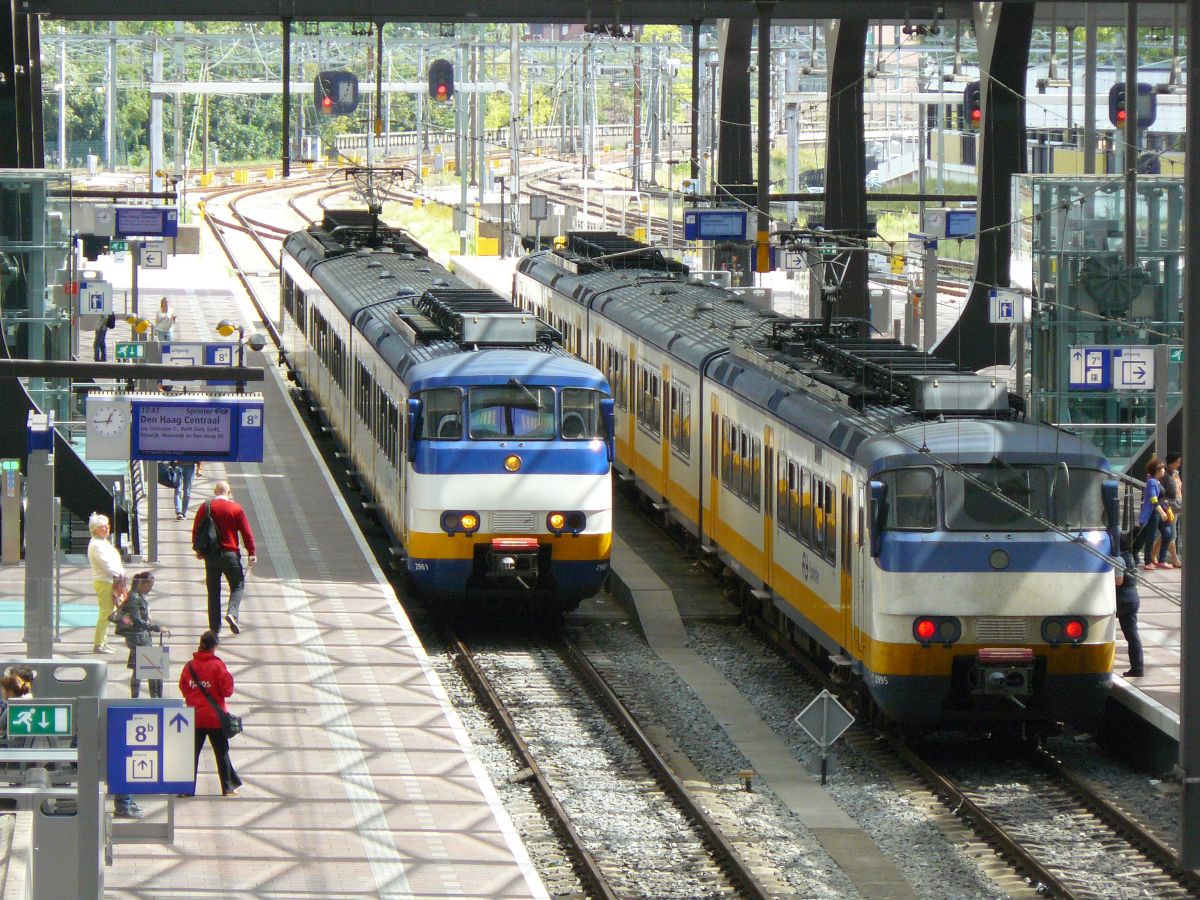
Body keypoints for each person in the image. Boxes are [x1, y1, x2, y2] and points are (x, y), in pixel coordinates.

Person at [178, 631, 241, 797]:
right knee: (221, 752)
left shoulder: (189, 666)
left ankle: (186, 789)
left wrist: (194, 698)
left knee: (191, 753)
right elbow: (227, 691)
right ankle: (227, 787)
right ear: (214, 646)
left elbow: (183, 688)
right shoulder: (217, 666)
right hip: (214, 718)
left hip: (194, 716)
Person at [192, 481, 257, 635]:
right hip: (230, 555)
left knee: (213, 592)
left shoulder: (205, 506)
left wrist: (198, 550)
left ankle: (214, 630)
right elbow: (246, 532)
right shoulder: (236, 508)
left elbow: (196, 529)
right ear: (229, 492)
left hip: (211, 556)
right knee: (238, 585)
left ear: (215, 491)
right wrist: (252, 552)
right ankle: (232, 613)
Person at [115, 571, 170, 699]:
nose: (150, 589)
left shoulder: (138, 595)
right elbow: (137, 620)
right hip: (138, 637)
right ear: (143, 583)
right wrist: (155, 627)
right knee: (148, 667)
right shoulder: (134, 597)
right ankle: (152, 697)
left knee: (139, 669)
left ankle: (141, 697)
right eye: (149, 586)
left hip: (139, 636)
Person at [87, 512, 125, 654]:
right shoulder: (97, 545)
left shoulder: (102, 542)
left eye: (107, 526)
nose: (106, 528)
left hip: (109, 580)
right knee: (106, 613)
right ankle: (99, 644)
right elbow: (106, 564)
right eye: (102, 526)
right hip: (105, 580)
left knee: (108, 611)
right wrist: (119, 574)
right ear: (95, 529)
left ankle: (103, 642)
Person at [1131, 459, 1169, 570]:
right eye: (1161, 468)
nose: (1163, 470)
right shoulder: (1152, 482)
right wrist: (1162, 512)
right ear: (1156, 471)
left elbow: (1159, 497)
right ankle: (1147, 561)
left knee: (1163, 534)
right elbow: (1153, 499)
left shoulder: (1156, 481)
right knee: (1149, 536)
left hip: (1157, 512)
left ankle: (1157, 559)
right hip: (1153, 513)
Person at [1115, 535, 1144, 678]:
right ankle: (1137, 667)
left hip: (1122, 600)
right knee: (1132, 635)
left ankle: (1137, 667)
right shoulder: (1130, 557)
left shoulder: (1119, 559)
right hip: (1133, 598)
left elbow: (1119, 581)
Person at [1159, 454, 1183, 567]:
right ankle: (1175, 559)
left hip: (1178, 507)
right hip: (1170, 508)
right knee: (1172, 534)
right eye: (1177, 462)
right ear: (1172, 462)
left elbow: (1179, 489)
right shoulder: (1165, 476)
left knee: (1168, 534)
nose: (1179, 464)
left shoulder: (1176, 474)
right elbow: (1161, 492)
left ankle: (1153, 555)